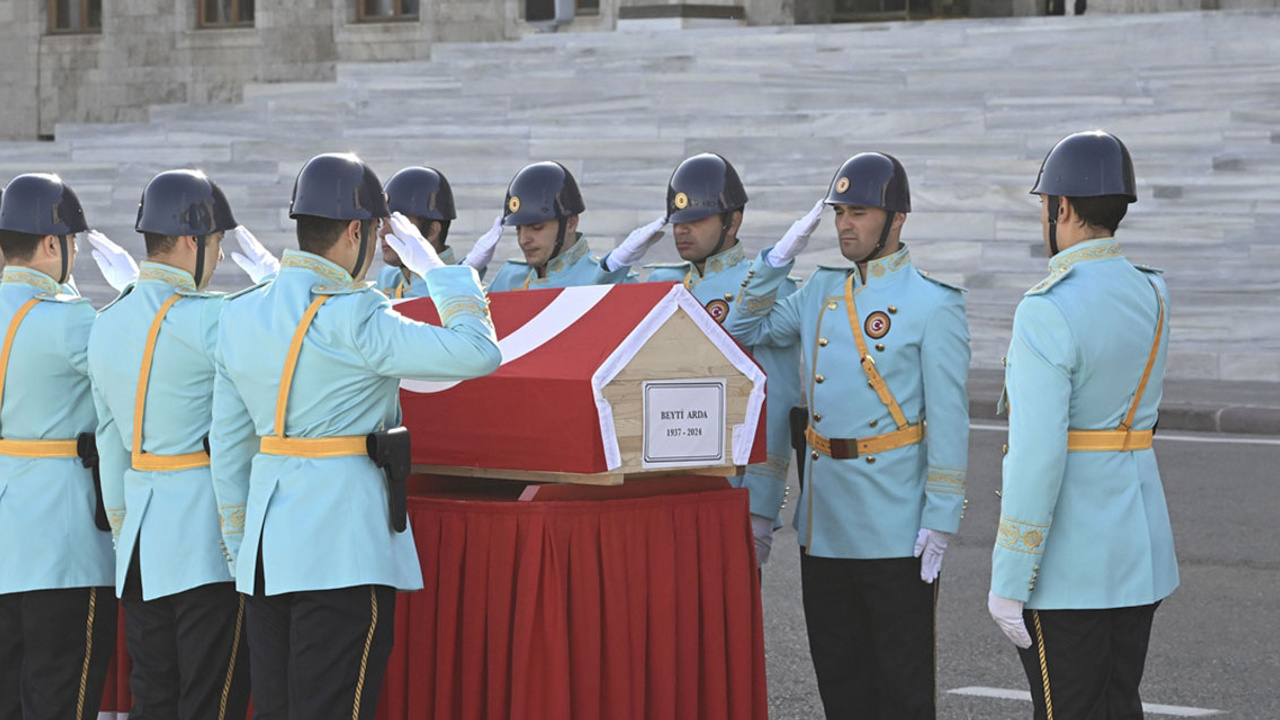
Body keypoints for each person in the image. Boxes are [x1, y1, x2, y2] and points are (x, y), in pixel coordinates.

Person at [210, 152, 501, 718]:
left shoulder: (240, 314)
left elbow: (228, 445)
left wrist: (242, 541)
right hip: (342, 546)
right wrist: (440, 272)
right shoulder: (358, 314)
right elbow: (479, 351)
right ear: (354, 231)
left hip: (265, 552)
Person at [724, 153, 970, 719]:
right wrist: (777, 259)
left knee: (902, 688)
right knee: (841, 682)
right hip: (826, 520)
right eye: (839, 213)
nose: (844, 226)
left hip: (895, 522)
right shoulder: (820, 291)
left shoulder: (934, 302)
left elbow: (951, 418)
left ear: (896, 218)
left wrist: (941, 515)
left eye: (858, 212)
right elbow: (742, 329)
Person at [988, 130, 1178, 720]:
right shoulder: (1152, 290)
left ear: (1061, 208)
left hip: (1069, 561)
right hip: (1139, 546)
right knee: (1119, 706)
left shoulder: (1047, 308)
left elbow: (1037, 456)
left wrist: (1011, 575)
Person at [86, 169, 272, 718]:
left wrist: (123, 532)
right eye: (214, 244)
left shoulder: (106, 321)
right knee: (211, 700)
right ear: (191, 240)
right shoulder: (216, 317)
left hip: (141, 542)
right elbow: (285, 330)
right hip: (205, 541)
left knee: (154, 697)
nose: (216, 259)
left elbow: (110, 444)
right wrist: (271, 278)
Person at [643, 152, 800, 566]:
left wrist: (761, 505)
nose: (683, 231)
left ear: (734, 220)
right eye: (678, 222)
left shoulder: (766, 288)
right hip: (664, 486)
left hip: (732, 493)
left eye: (696, 220)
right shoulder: (660, 284)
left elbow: (776, 400)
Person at [0, 173, 116, 719]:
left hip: (7, 543)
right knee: (59, 698)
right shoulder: (68, 320)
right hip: (62, 547)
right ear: (52, 244)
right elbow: (137, 364)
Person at [485, 161, 643, 291]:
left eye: (537, 228)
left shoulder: (613, 280)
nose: (523, 240)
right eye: (519, 229)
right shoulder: (509, 278)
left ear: (571, 223)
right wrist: (468, 270)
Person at [375, 165, 503, 298]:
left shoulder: (474, 293)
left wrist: (460, 275)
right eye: (384, 222)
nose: (382, 233)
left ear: (432, 231)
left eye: (398, 224)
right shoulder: (386, 278)